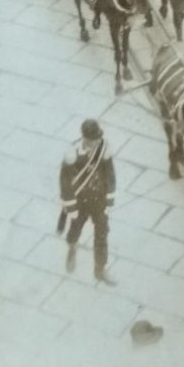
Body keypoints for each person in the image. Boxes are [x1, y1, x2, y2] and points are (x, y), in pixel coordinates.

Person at [57, 118, 118, 286]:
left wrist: (109, 202)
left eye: (98, 139)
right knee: (75, 230)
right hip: (80, 202)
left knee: (102, 234)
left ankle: (100, 269)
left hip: (99, 201)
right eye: (93, 140)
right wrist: (71, 207)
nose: (96, 142)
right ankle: (72, 248)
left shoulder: (103, 150)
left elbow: (110, 175)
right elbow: (65, 182)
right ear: (85, 138)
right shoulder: (72, 154)